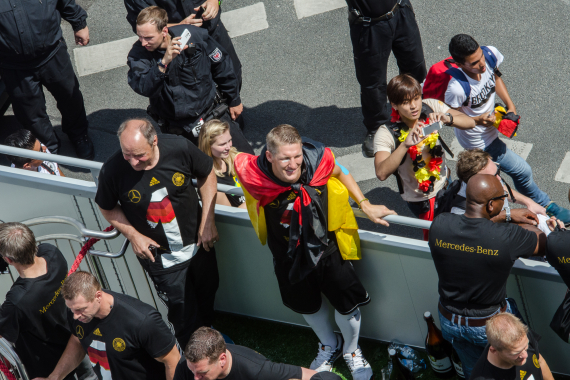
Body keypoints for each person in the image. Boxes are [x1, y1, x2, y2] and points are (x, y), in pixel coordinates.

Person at [234, 125, 396, 380]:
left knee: (347, 304)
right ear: (269, 157)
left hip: (326, 249)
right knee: (306, 305)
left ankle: (352, 351)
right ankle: (329, 345)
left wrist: (365, 204)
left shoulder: (317, 161)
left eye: (296, 156)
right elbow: (227, 161)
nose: (293, 164)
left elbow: (341, 172)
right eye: (285, 158)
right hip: (287, 254)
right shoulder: (252, 172)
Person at [95, 118, 219, 350]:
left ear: (154, 141)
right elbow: (106, 206)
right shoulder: (113, 170)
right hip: (161, 258)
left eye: (138, 155)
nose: (132, 162)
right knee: (183, 315)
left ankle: (210, 339)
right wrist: (133, 235)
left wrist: (208, 220)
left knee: (208, 294)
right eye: (126, 154)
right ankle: (193, 360)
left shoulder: (179, 147)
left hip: (199, 245)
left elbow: (206, 172)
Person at [428, 174, 548, 379]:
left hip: (449, 320)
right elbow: (541, 241)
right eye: (503, 198)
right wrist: (511, 219)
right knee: (523, 368)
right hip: (491, 326)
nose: (506, 202)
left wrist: (503, 216)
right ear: (491, 204)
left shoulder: (440, 224)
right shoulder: (506, 237)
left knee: (475, 371)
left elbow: (473, 226)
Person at [444, 34, 570, 223]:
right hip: (478, 144)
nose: (482, 65)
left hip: (491, 133)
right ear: (460, 64)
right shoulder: (456, 88)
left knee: (514, 175)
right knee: (510, 178)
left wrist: (510, 107)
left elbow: (495, 77)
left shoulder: (490, 54)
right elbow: (452, 117)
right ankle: (542, 208)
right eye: (474, 63)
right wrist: (478, 120)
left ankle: (538, 208)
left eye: (481, 57)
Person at [127, 6, 252, 153]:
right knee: (196, 171)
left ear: (164, 31)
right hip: (177, 127)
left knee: (244, 160)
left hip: (211, 114)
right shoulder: (138, 55)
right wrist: (162, 64)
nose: (143, 43)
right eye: (140, 36)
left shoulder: (194, 36)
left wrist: (234, 99)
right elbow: (144, 87)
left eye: (148, 38)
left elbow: (222, 66)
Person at [373, 74, 474, 238]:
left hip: (447, 182)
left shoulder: (431, 106)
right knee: (445, 237)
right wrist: (405, 145)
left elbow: (470, 122)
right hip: (423, 200)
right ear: (394, 105)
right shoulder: (386, 133)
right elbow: (381, 172)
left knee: (467, 225)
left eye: (416, 98)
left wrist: (447, 118)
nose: (414, 106)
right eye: (406, 102)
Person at [36, 271, 180, 380]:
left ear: (98, 296)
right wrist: (54, 377)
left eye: (80, 309)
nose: (75, 316)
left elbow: (173, 361)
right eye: (71, 309)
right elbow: (78, 339)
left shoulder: (143, 321)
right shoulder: (78, 313)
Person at [0, 0, 94, 159]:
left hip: (52, 53)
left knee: (69, 96)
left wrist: (79, 23)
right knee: (30, 113)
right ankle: (48, 149)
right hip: (13, 65)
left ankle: (78, 134)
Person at [0, 223, 95, 380]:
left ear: (8, 260)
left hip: (49, 365)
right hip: (75, 338)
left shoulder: (18, 301)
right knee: (89, 376)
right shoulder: (52, 253)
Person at [345, 0, 427, 157]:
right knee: (372, 82)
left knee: (415, 66)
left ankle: (419, 108)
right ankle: (377, 127)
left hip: (401, 10)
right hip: (368, 24)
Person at [124, 0, 242, 91]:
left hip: (210, 31)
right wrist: (178, 26)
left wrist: (215, 1)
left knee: (231, 72)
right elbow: (140, 23)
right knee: (189, 90)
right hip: (176, 43)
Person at [174, 327, 341, 380]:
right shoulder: (186, 365)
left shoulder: (256, 369)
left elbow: (303, 374)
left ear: (222, 359)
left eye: (202, 373)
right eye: (192, 370)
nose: (195, 378)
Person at [452, 149, 545, 222]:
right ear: (478, 184)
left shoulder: (491, 178)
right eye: (494, 176)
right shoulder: (460, 213)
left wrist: (529, 202)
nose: (499, 179)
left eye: (498, 171)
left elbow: (502, 190)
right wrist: (507, 215)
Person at [470, 313, 554, 380]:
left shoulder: (522, 336)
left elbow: (540, 361)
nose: (525, 355)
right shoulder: (483, 376)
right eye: (516, 353)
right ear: (494, 351)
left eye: (525, 347)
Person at [198, 119, 246, 208]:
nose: (229, 147)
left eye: (229, 140)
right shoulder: (209, 179)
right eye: (222, 144)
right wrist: (257, 198)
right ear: (208, 146)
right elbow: (230, 216)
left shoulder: (233, 156)